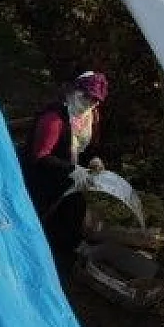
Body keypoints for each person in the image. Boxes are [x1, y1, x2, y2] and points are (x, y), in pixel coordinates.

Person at [20, 70, 108, 268]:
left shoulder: (91, 115)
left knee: (74, 209)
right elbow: (40, 156)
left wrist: (94, 159)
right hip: (44, 175)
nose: (91, 103)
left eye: (96, 100)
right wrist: (71, 170)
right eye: (87, 97)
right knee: (45, 214)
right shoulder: (54, 119)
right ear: (75, 91)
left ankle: (65, 252)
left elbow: (90, 145)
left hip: (71, 174)